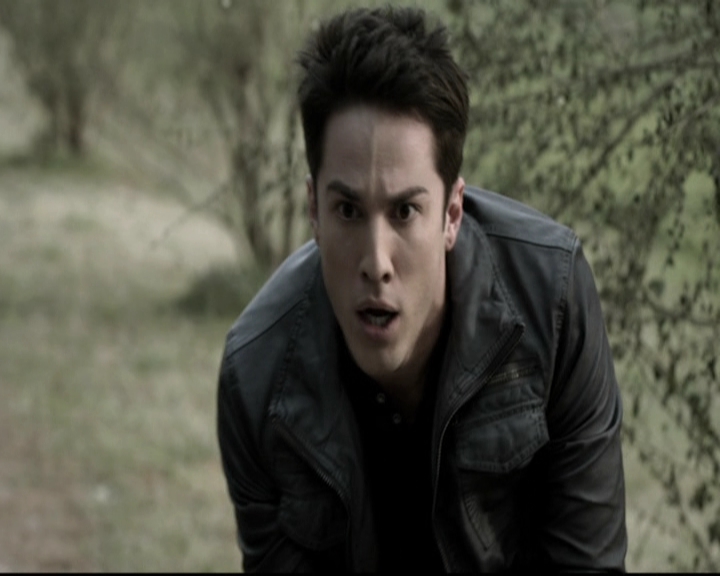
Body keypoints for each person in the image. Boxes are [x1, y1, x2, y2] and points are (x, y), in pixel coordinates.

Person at [216, 6, 627, 572]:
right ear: (313, 209)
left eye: (405, 211)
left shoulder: (550, 302)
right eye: (347, 210)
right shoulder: (258, 377)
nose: (376, 262)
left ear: (452, 213)